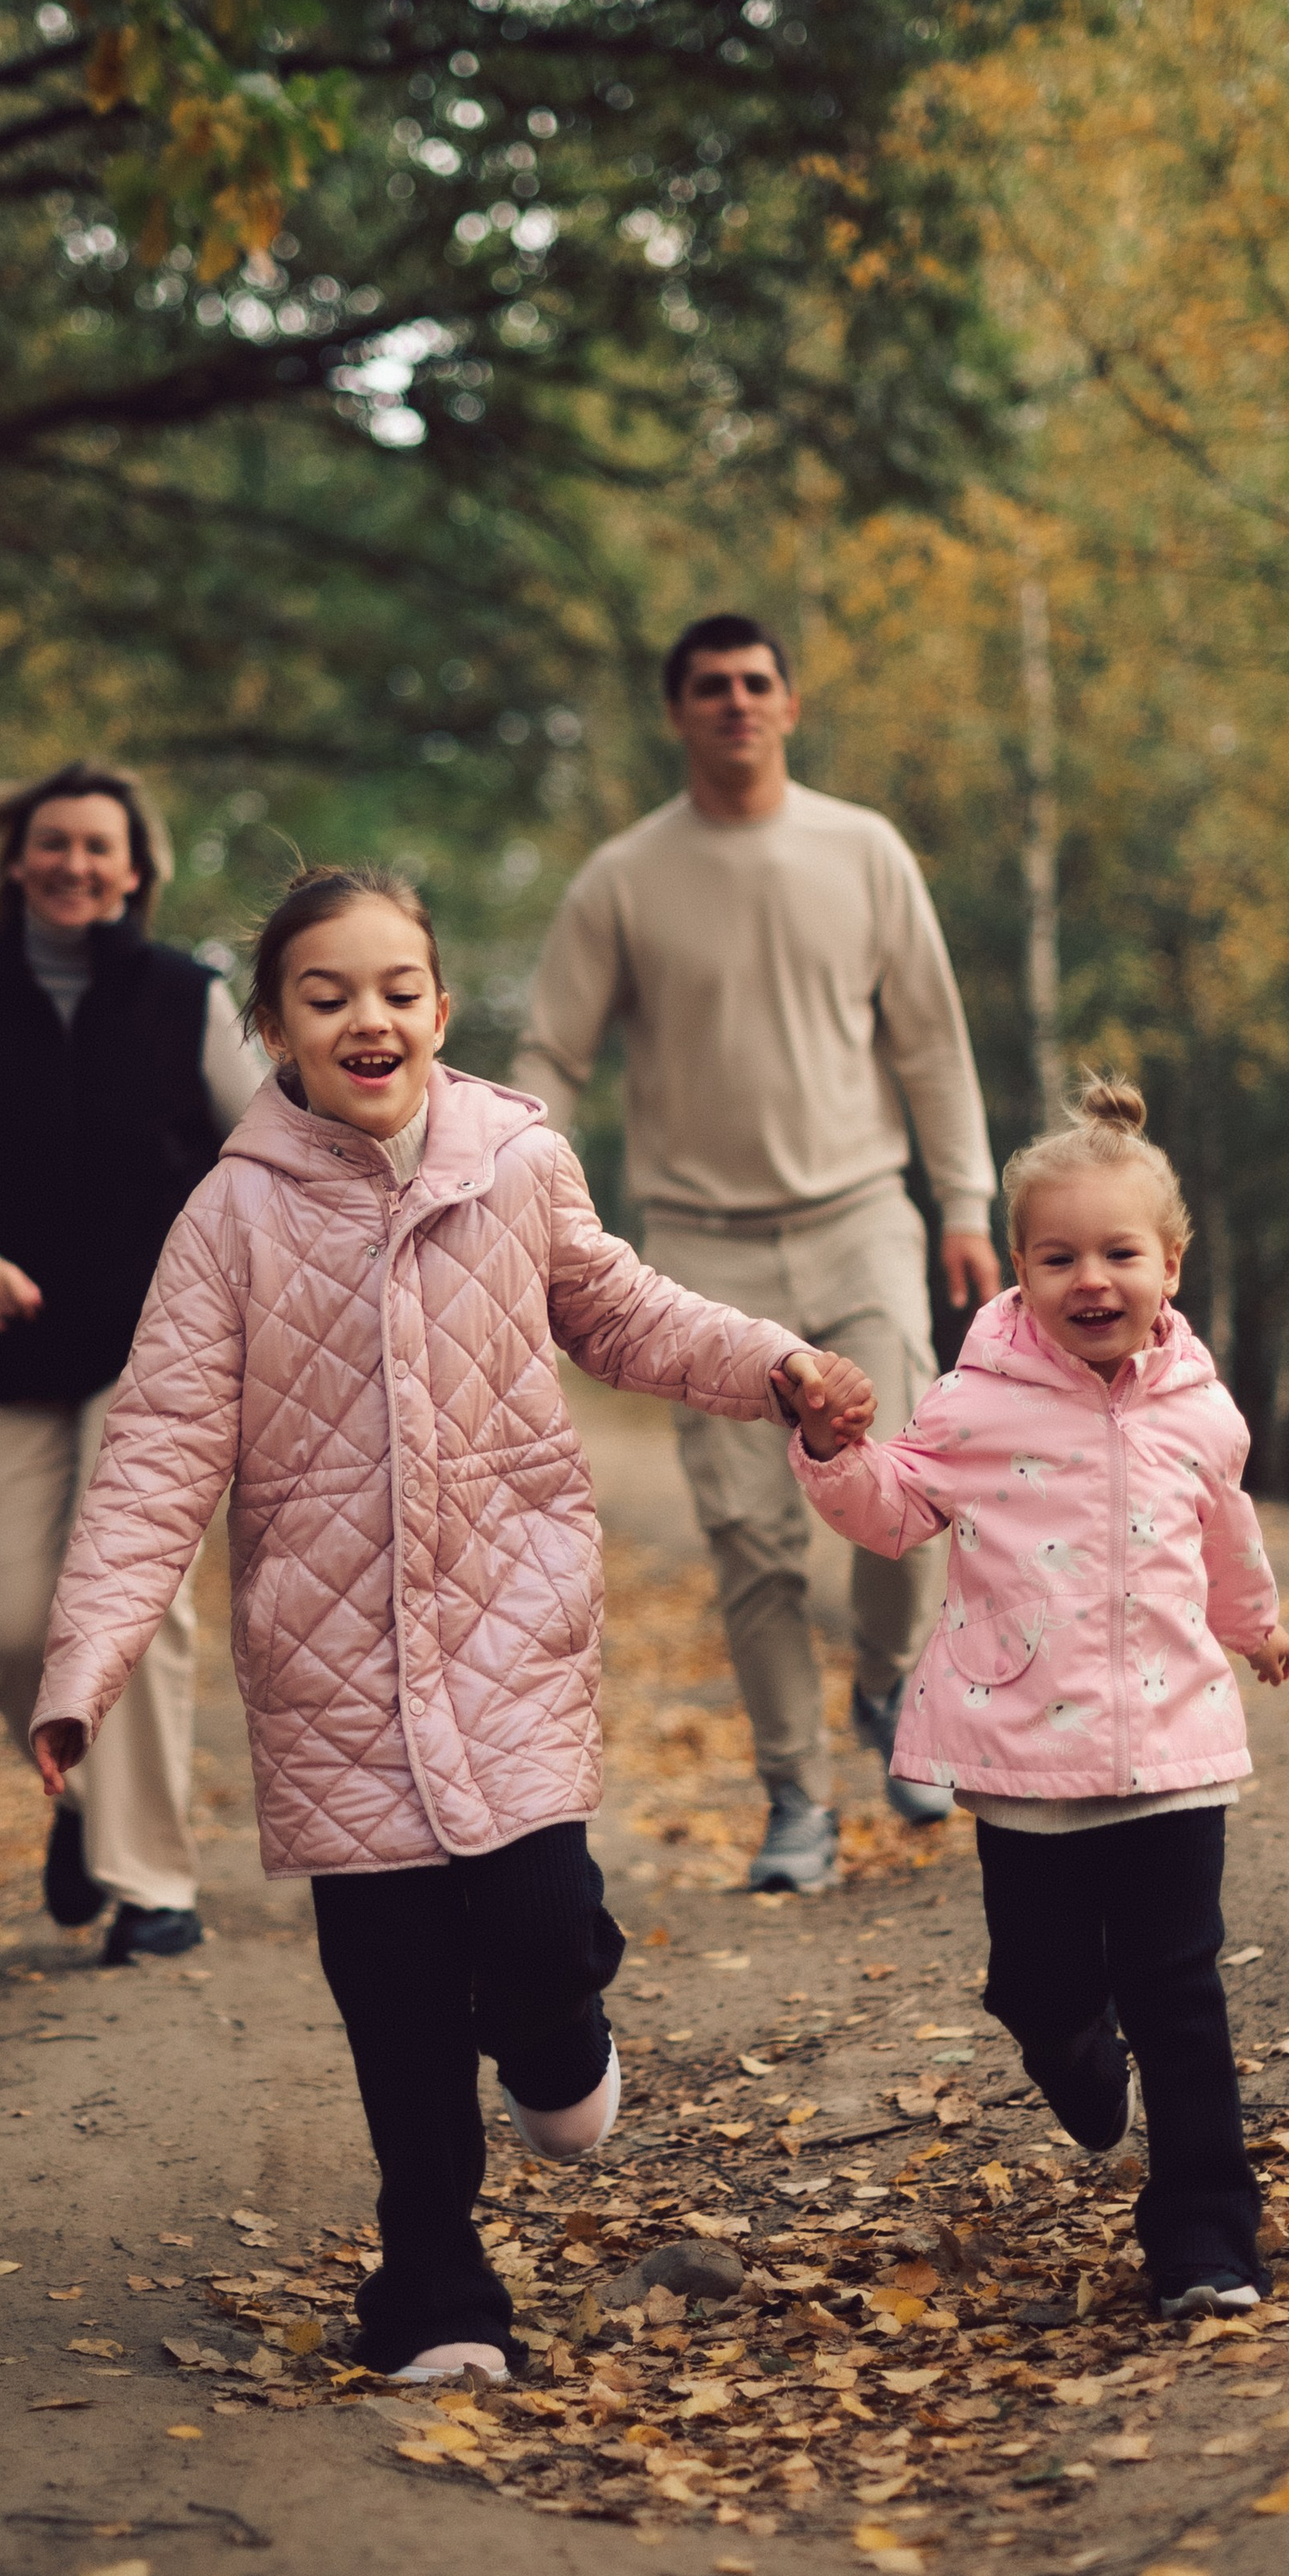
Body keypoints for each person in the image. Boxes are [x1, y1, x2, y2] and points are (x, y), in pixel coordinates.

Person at [27, 865, 873, 2381]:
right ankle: (435, 2289)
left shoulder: (513, 1163)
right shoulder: (227, 1219)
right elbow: (155, 1452)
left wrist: (777, 1366)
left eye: (397, 990)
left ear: (440, 1005)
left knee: (546, 1930)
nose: (369, 1019)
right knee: (398, 2008)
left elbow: (624, 1310)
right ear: (276, 1027)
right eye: (326, 995)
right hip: (332, 1669)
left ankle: (557, 2042)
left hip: (509, 1630)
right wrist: (84, 1664)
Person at [786, 1077, 1289, 2318]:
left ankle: (1204, 2239)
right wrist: (828, 1451)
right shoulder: (976, 1404)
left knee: (1182, 1994)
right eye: (1059, 1255)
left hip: (1175, 1747)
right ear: (1018, 1268)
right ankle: (1072, 2046)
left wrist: (1256, 1629)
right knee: (1039, 1981)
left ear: (1170, 1264)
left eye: (1120, 1253)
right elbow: (893, 1508)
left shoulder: (1201, 1410)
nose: (1092, 1280)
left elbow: (1221, 1537)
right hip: (1023, 1759)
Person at [511, 610, 1001, 1893]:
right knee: (752, 1542)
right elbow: (550, 1056)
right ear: (677, 714)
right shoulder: (622, 877)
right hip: (699, 1250)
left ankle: (896, 1696)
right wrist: (515, 1198)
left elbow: (933, 1044)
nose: (735, 703)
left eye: (755, 683)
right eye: (710, 688)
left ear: (789, 704)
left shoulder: (864, 851)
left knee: (910, 1492)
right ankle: (796, 1798)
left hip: (859, 1217)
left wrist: (961, 1202)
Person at [0, 757, 261, 1964]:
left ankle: (153, 1883)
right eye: (53, 844)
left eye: (99, 847)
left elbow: (259, 1149)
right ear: (18, 861)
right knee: (9, 1627)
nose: (74, 864)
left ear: (136, 870)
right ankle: (94, 1805)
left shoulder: (186, 996)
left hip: (157, 1341)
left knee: (135, 1608)